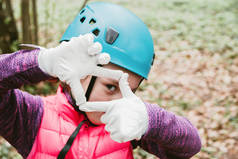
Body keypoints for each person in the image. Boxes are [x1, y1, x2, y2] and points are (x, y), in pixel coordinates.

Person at [0, 2, 201, 159]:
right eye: (111, 86)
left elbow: (189, 147)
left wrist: (150, 120)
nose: (119, 101)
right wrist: (41, 62)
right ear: (77, 71)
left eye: (129, 89)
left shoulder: (124, 123)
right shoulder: (33, 117)